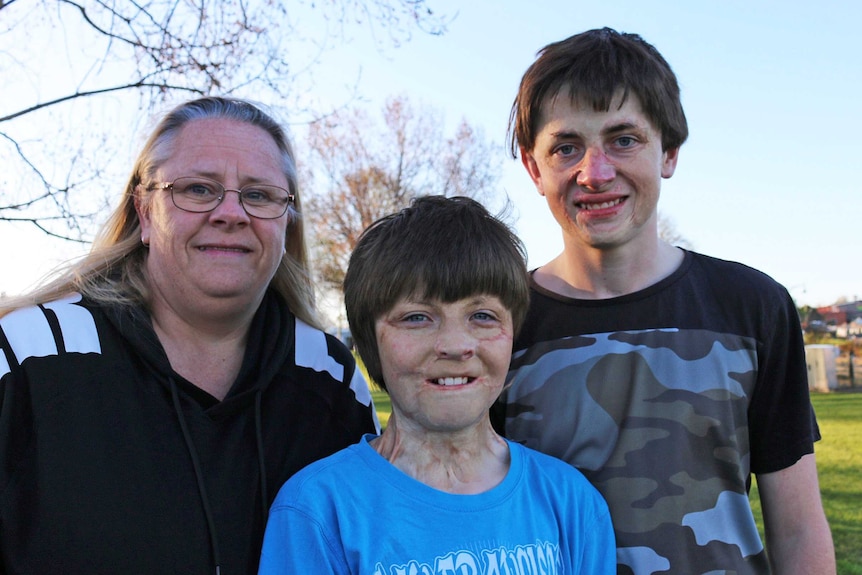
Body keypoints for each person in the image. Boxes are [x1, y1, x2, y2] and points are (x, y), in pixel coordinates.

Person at [490, 27, 835, 575]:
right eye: (566, 147)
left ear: (669, 152)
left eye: (623, 139)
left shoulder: (753, 307)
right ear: (535, 169)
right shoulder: (497, 326)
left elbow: (798, 526)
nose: (595, 173)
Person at [0, 96, 379, 574]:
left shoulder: (329, 379)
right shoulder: (27, 354)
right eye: (199, 189)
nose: (231, 213)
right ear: (143, 212)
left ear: (287, 221)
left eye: (259, 195)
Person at [258, 196, 615, 574]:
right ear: (370, 342)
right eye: (416, 317)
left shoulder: (571, 504)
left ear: (512, 331)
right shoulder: (318, 511)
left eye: (482, 315)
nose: (456, 346)